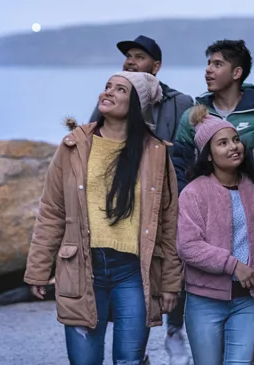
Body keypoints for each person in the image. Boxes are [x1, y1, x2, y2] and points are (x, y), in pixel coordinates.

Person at [25, 71, 182, 365]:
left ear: (137, 104)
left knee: (129, 361)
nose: (107, 93)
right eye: (107, 86)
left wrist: (171, 282)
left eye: (120, 90)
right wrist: (38, 268)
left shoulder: (156, 153)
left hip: (133, 272)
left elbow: (169, 222)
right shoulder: (74, 146)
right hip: (83, 267)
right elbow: (52, 211)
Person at [172, 39, 254, 364]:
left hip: (253, 213)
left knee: (253, 285)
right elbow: (179, 170)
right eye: (208, 64)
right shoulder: (193, 117)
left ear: (237, 72)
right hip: (206, 221)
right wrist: (186, 213)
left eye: (217, 64)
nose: (208, 70)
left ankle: (251, 351)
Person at [88, 34, 194, 364]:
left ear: (156, 66)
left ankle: (174, 330)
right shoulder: (111, 99)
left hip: (168, 197)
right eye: (128, 56)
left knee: (171, 267)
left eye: (139, 57)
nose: (131, 61)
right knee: (132, 274)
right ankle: (138, 347)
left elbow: (189, 153)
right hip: (124, 202)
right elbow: (95, 144)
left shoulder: (180, 103)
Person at [177, 105, 254, 365]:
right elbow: (188, 246)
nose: (233, 147)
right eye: (222, 143)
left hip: (247, 301)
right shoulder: (193, 193)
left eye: (236, 140)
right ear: (209, 155)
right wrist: (233, 265)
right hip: (204, 300)